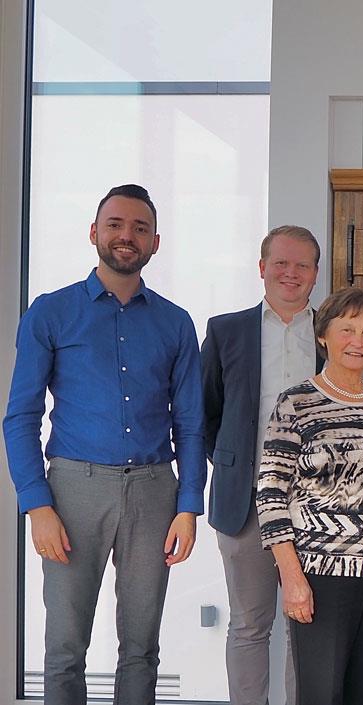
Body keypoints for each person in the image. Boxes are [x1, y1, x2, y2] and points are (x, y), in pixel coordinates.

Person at [3, 183, 205, 704]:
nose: (126, 236)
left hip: (154, 491)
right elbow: (21, 417)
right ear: (94, 233)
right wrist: (36, 505)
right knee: (65, 647)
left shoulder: (176, 323)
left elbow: (190, 423)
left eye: (140, 228)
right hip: (73, 492)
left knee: (141, 646)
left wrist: (188, 507)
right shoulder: (50, 313)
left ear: (155, 243)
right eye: (115, 224)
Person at [256, 287, 363, 705]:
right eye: (347, 329)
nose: (358, 341)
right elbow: (270, 494)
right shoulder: (296, 403)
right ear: (323, 336)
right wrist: (292, 578)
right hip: (320, 574)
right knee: (321, 693)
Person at [202, 225, 322, 705]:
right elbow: (207, 413)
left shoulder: (334, 333)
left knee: (308, 627)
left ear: (315, 274)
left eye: (302, 265)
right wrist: (234, 465)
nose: (290, 273)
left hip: (320, 508)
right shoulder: (225, 330)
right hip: (246, 504)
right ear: (262, 268)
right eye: (281, 263)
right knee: (250, 624)